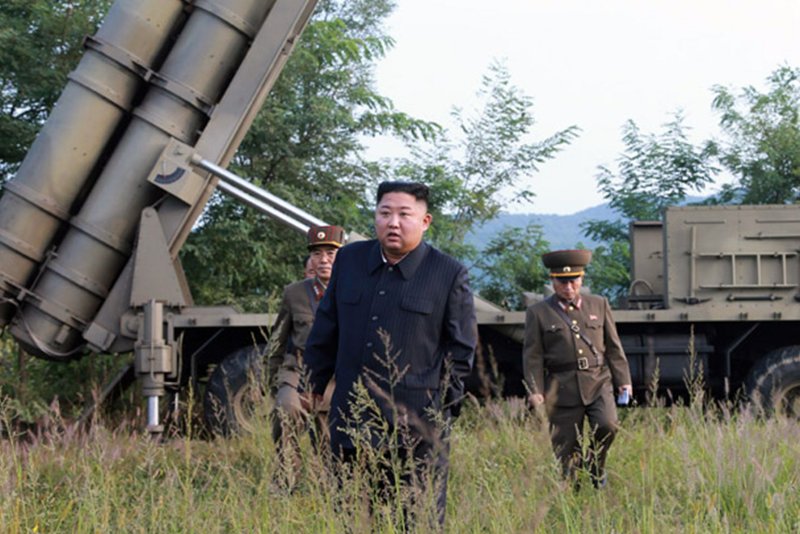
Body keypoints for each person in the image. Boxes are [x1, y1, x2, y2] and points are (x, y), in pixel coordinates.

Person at [304, 181, 477, 526]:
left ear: (425, 221)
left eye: (404, 214)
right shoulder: (350, 260)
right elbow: (326, 326)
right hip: (353, 416)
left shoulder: (447, 274)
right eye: (385, 213)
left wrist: (441, 409)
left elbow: (462, 350)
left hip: (417, 424)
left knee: (417, 519)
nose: (393, 222)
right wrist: (314, 383)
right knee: (354, 516)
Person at [522, 249, 632, 489]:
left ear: (581, 279)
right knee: (566, 449)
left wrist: (623, 380)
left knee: (608, 424)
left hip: (597, 380)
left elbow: (613, 347)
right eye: (562, 282)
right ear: (552, 281)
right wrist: (535, 389)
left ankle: (596, 468)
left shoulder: (599, 304)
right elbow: (533, 356)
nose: (568, 287)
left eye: (574, 281)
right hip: (560, 387)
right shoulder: (538, 313)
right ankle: (575, 497)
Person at [267, 224, 344, 455]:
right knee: (286, 409)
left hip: (336, 376)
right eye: (317, 254)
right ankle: (288, 477)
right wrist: (271, 381)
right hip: (299, 371)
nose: (323, 260)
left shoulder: (355, 291)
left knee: (330, 446)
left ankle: (326, 482)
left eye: (330, 254)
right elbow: (277, 341)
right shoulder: (294, 293)